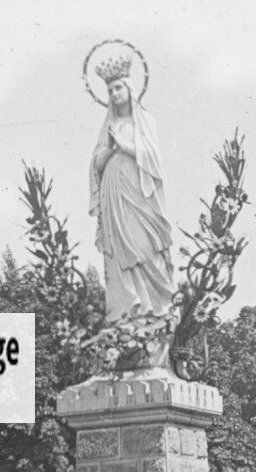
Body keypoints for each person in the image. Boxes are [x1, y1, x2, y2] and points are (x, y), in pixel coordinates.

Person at [88, 53, 173, 324]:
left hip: (138, 191)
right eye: (110, 91)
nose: (114, 94)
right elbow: (97, 164)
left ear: (129, 88)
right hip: (114, 193)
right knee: (119, 252)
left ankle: (156, 308)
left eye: (118, 88)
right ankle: (127, 311)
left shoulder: (145, 120)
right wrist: (110, 148)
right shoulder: (109, 126)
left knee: (144, 246)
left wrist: (124, 146)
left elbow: (154, 158)